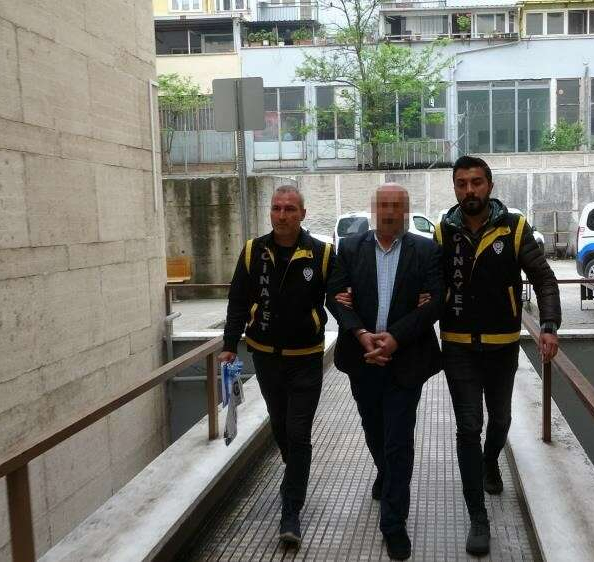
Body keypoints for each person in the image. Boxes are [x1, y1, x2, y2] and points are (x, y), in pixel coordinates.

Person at [436, 155, 561, 555]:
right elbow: (426, 282)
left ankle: (491, 460)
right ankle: (478, 517)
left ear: (489, 186)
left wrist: (548, 325)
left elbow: (544, 278)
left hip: (501, 344)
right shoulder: (444, 231)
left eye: (476, 182)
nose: (469, 190)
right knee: (468, 426)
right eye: (461, 183)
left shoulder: (514, 227)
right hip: (457, 344)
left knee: (501, 419)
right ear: (455, 188)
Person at [326, 184, 443, 561]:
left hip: (405, 361)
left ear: (406, 211)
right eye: (384, 205)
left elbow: (434, 303)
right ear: (374, 209)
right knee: (373, 428)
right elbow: (335, 298)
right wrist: (362, 335)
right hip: (362, 359)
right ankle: (386, 472)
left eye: (397, 206)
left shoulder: (426, 250)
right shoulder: (349, 248)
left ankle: (393, 524)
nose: (390, 212)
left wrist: (394, 339)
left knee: (398, 441)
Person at [218, 185, 333, 546]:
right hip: (265, 357)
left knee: (298, 433)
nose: (282, 215)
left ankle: (291, 511)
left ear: (302, 213)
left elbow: (342, 296)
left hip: (306, 358)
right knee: (281, 428)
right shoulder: (253, 251)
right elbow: (238, 300)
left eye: (289, 209)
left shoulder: (322, 254)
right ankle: (293, 472)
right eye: (276, 208)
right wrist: (229, 345)